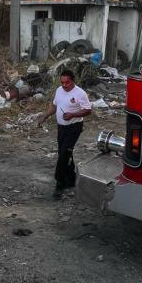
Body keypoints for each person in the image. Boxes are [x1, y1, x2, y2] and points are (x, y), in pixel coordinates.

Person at [37, 69, 92, 198]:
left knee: (63, 154)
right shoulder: (59, 91)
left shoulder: (80, 93)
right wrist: (44, 117)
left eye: (67, 83)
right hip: (61, 127)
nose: (64, 85)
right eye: (62, 82)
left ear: (73, 81)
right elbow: (54, 106)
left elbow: (87, 110)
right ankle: (71, 178)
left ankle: (59, 181)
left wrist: (73, 114)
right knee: (65, 152)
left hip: (74, 127)